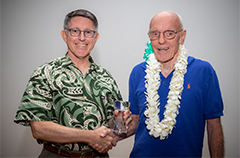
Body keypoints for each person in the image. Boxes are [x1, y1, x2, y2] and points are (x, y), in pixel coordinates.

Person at [14, 9, 131, 158]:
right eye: (75, 31)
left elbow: (110, 126)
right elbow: (39, 129)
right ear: (64, 35)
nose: (82, 38)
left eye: (88, 32)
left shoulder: (106, 77)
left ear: (96, 37)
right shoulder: (45, 73)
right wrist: (89, 136)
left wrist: (117, 120)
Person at [115, 10, 224, 157]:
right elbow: (135, 121)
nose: (161, 41)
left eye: (169, 33)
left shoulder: (204, 71)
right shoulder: (137, 72)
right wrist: (115, 131)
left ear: (182, 36)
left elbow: (213, 126)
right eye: (155, 34)